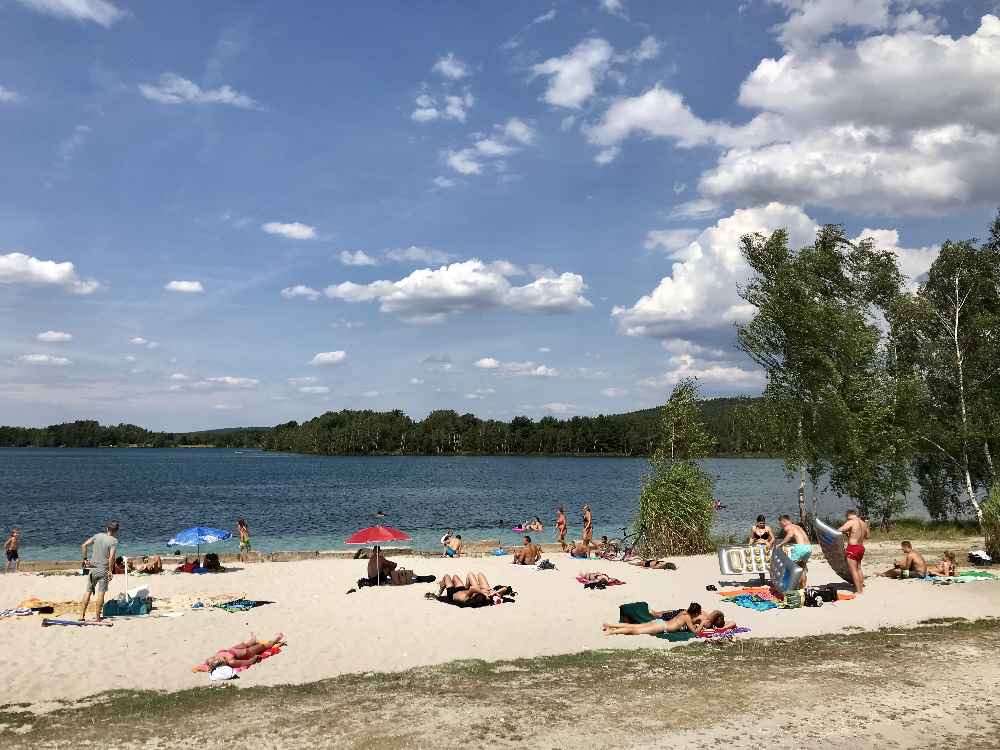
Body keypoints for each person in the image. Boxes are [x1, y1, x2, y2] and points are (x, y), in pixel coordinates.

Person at [80, 521, 119, 622]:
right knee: (101, 593)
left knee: (88, 591)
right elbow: (111, 558)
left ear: (107, 528)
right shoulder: (114, 541)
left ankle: (81, 615)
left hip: (92, 569)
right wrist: (110, 571)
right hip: (103, 570)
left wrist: (85, 559)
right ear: (116, 531)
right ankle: (97, 617)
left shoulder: (97, 536)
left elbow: (84, 545)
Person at [194, 633, 285, 672]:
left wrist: (200, 668)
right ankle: (276, 640)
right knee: (261, 646)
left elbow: (206, 665)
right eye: (223, 659)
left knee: (244, 644)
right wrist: (256, 657)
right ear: (224, 663)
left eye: (215, 658)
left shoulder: (212, 660)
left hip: (234, 649)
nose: (216, 658)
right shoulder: (232, 662)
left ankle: (252, 640)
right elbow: (247, 662)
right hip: (247, 653)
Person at [602, 603, 704, 636]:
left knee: (635, 626)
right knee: (637, 630)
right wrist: (702, 623)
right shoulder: (687, 617)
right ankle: (611, 632)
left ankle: (610, 625)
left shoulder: (684, 612)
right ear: (695, 613)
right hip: (662, 626)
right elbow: (695, 632)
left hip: (660, 622)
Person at [431, 572, 513, 608]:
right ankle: (442, 584)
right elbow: (506, 588)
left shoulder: (466, 598)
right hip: (462, 589)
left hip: (452, 593)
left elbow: (473, 588)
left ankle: (440, 591)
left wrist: (484, 594)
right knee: (455, 576)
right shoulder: (472, 595)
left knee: (446, 576)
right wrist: (493, 593)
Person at [774, 515, 811, 589]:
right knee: (802, 568)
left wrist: (780, 544)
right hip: (808, 548)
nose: (780, 525)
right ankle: (802, 588)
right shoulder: (797, 526)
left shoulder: (788, 527)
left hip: (800, 548)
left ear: (784, 521)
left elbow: (790, 535)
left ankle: (788, 587)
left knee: (791, 568)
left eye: (780, 523)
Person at [838, 509, 869, 593]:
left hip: (853, 547)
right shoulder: (863, 523)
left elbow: (839, 530)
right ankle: (861, 585)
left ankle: (859, 590)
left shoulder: (851, 522)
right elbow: (867, 536)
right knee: (858, 568)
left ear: (848, 515)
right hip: (861, 547)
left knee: (853, 570)